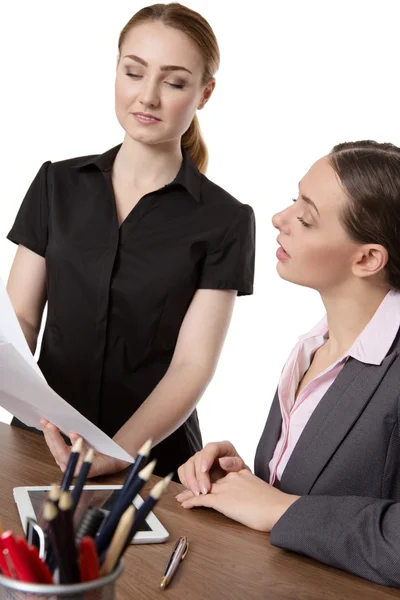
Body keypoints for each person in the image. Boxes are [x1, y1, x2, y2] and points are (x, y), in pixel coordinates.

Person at [6, 3, 255, 479]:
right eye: (134, 72)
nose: (147, 97)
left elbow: (191, 366)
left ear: (205, 93)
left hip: (150, 461)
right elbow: (20, 316)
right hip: (40, 440)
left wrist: (115, 452)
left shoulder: (225, 220)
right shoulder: (56, 184)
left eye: (174, 82)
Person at [177, 140, 400, 587]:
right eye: (294, 198)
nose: (280, 219)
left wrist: (281, 508)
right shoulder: (313, 345)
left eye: (307, 217)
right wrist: (251, 482)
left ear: (368, 258)